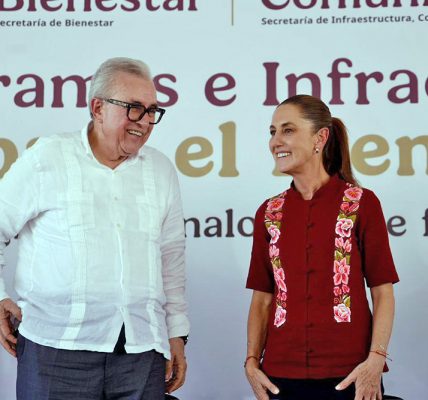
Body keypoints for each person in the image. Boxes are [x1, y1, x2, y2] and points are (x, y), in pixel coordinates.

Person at [0, 57, 190, 400]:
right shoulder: (48, 157)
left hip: (141, 352)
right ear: (98, 107)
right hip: (54, 351)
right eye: (134, 108)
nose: (145, 121)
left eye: (152, 111)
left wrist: (177, 333)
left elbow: (171, 257)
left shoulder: (160, 170)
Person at [245, 95, 398, 400]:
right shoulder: (269, 212)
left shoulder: (361, 203)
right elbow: (262, 298)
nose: (276, 141)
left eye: (288, 130)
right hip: (280, 377)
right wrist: (251, 362)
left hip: (351, 374)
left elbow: (383, 292)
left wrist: (376, 359)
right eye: (272, 132)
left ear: (320, 137)